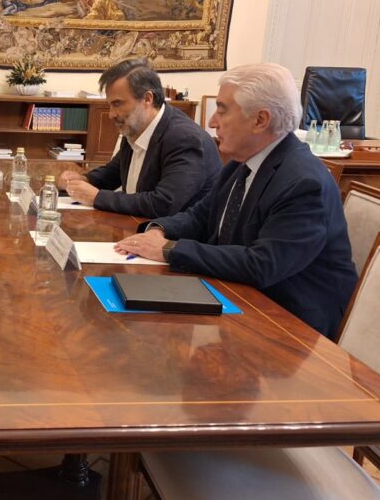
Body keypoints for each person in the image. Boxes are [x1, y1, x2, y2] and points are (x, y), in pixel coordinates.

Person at [114, 62, 358, 340]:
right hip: (237, 298)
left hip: (289, 329)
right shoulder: (241, 164)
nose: (212, 122)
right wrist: (159, 230)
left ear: (260, 120)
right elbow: (200, 217)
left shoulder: (303, 183)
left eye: (222, 109)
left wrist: (169, 249)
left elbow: (262, 264)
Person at [59, 58, 221, 218]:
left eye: (118, 104)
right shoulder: (135, 127)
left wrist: (97, 197)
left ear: (147, 99)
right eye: (110, 105)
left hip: (175, 239)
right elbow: (113, 173)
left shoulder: (184, 138)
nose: (111, 114)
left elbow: (164, 204)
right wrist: (83, 180)